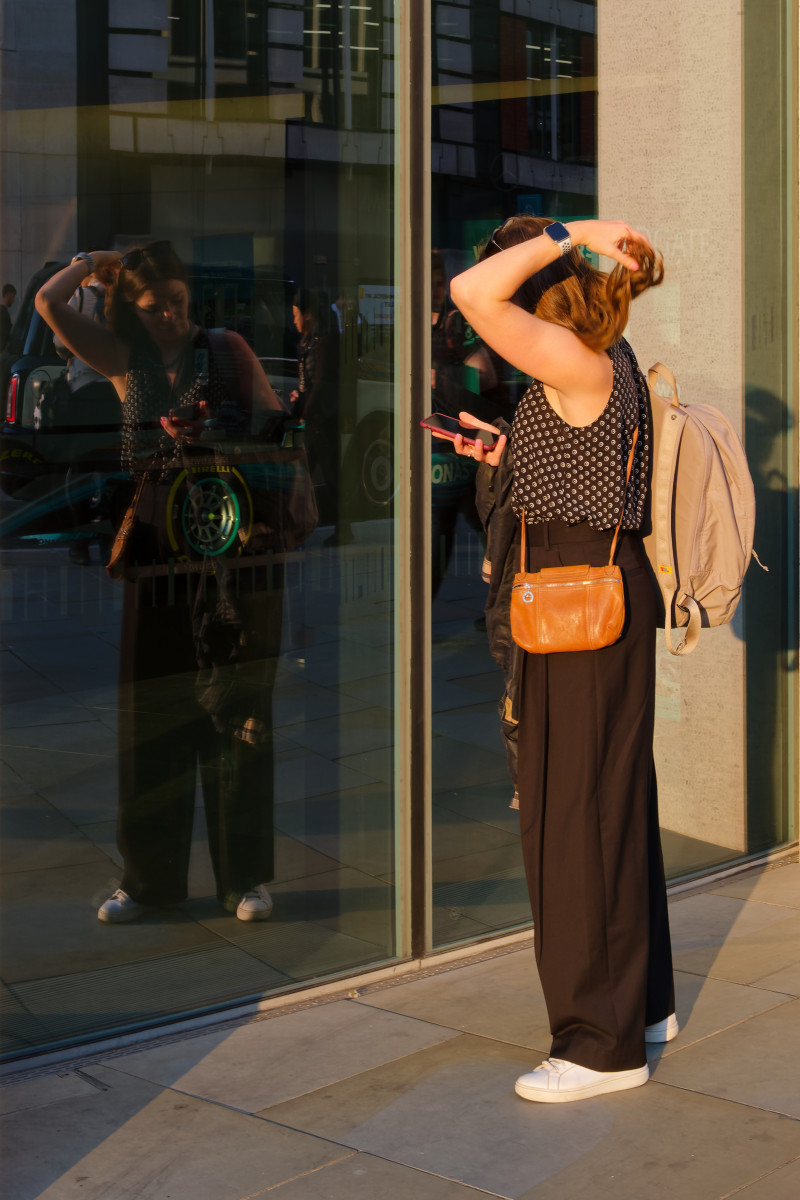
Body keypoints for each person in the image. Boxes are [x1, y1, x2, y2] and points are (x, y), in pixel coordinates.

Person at [446, 216, 675, 1103]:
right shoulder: (592, 365)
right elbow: (577, 473)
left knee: (573, 816)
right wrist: (503, 453)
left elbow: (472, 295)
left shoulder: (578, 360)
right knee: (610, 805)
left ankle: (597, 1046)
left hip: (577, 603)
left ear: (541, 288)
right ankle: (641, 1005)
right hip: (593, 593)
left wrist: (567, 228)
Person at [35, 242, 288, 924]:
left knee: (240, 717)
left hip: (235, 559)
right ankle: (148, 881)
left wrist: (222, 434)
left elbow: (275, 427)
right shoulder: (124, 359)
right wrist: (93, 259)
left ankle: (245, 880)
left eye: (178, 302)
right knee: (154, 723)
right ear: (130, 308)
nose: (172, 316)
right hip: (158, 563)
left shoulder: (225, 347)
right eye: (155, 307)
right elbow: (48, 303)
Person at [290, 289, 353, 546]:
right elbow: (309, 382)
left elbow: (321, 382)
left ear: (308, 314)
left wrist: (305, 412)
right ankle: (301, 527)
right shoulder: (308, 342)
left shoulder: (324, 341)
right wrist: (299, 394)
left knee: (327, 476)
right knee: (306, 475)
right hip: (316, 419)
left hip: (323, 420)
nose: (293, 320)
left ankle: (342, 529)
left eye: (295, 314)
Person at [1, 283, 16, 351]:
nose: (13, 300)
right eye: (13, 296)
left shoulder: (3, 311)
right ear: (7, 295)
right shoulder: (2, 311)